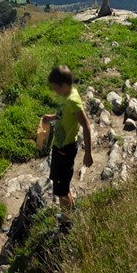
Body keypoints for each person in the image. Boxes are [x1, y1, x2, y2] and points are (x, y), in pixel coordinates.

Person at [40, 65, 94, 214]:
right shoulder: (66, 96)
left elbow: (86, 126)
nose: (54, 91)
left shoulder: (72, 101)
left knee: (61, 190)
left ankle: (67, 221)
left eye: (55, 88)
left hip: (66, 149)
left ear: (63, 85)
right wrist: (51, 117)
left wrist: (88, 154)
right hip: (59, 148)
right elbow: (62, 115)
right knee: (61, 186)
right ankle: (71, 211)